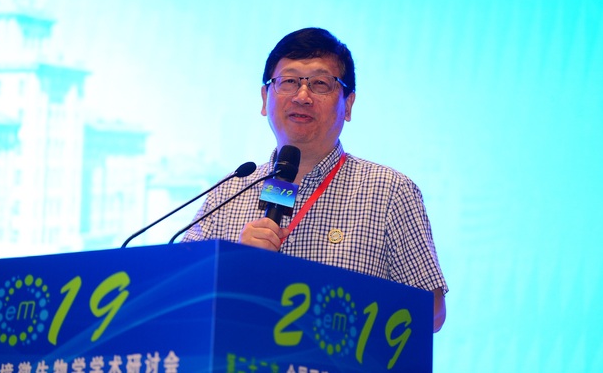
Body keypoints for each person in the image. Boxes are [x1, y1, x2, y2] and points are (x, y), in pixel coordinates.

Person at [181, 27, 448, 332]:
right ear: (265, 98)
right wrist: (236, 266)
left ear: (348, 104)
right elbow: (179, 296)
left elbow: (432, 314)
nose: (302, 96)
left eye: (320, 84)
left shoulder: (389, 191)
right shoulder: (229, 191)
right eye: (289, 81)